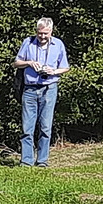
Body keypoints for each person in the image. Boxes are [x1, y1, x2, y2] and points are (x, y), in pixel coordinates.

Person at [13, 17, 70, 167]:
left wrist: (53, 71)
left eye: (45, 33)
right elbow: (16, 63)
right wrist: (29, 63)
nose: (42, 36)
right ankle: (26, 161)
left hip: (49, 89)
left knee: (45, 127)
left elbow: (65, 67)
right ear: (36, 31)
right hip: (29, 89)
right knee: (27, 128)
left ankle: (42, 161)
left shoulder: (58, 44)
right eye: (40, 33)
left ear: (51, 31)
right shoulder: (28, 42)